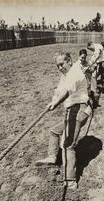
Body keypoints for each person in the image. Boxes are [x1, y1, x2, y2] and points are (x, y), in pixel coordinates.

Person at [35, 52, 93, 189]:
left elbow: (67, 91)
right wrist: (53, 100)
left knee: (68, 145)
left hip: (78, 109)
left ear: (69, 61)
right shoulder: (65, 76)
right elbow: (60, 90)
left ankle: (71, 180)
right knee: (54, 131)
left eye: (62, 64)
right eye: (58, 66)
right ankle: (52, 156)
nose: (60, 67)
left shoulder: (74, 72)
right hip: (74, 110)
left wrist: (55, 104)